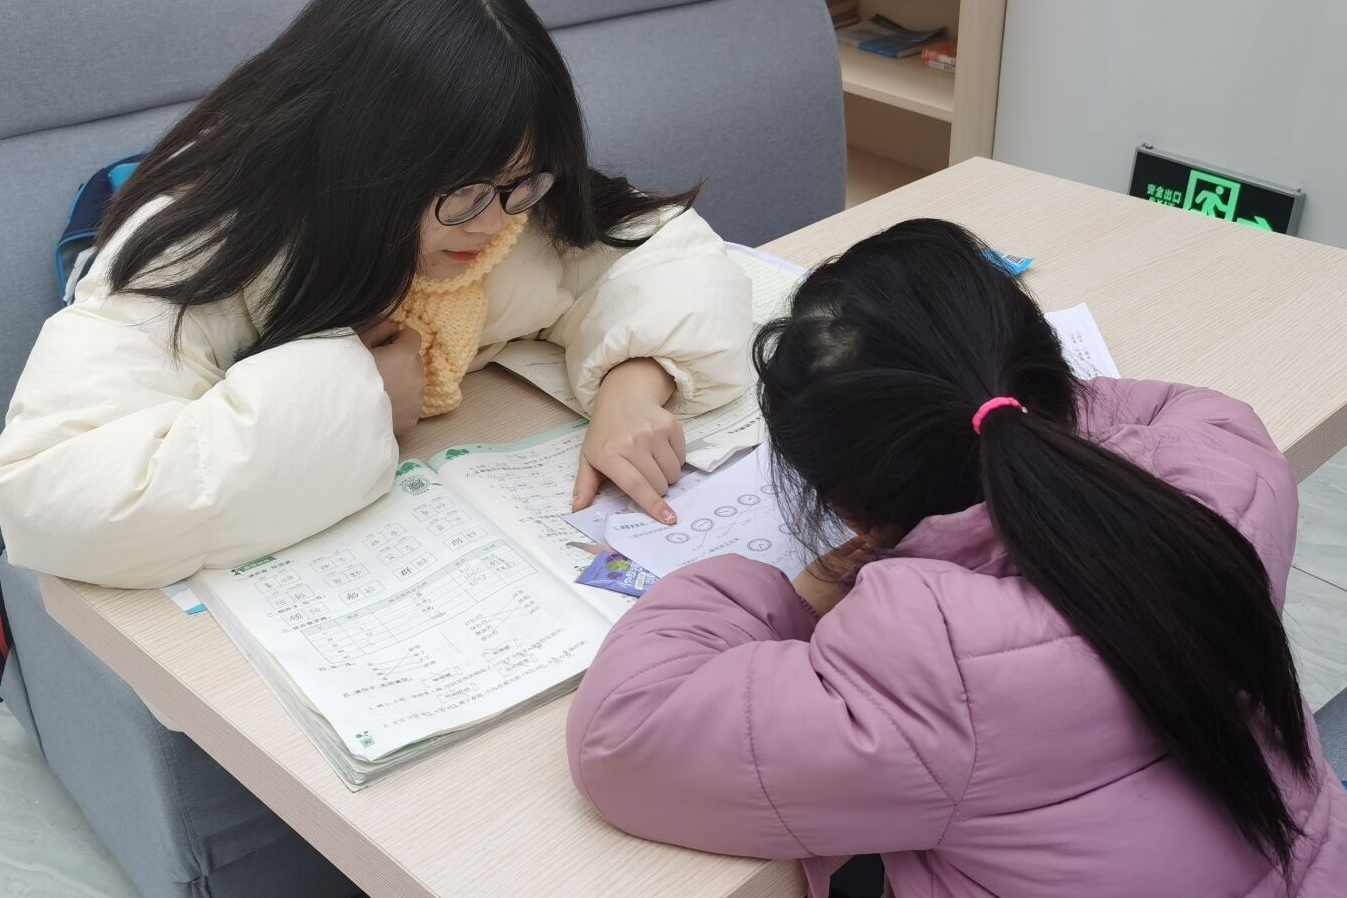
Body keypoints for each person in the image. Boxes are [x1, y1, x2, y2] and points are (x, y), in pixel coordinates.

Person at [566, 219, 1347, 896]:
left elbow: (624, 736)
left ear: (847, 508)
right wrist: (1013, 401)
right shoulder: (1221, 471)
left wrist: (787, 594)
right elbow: (1140, 407)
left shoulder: (930, 659)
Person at [0, 0, 752, 589]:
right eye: (465, 191)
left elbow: (656, 247)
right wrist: (364, 394)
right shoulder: (203, 246)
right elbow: (54, 500)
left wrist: (634, 384)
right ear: (365, 159)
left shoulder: (505, 204)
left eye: (522, 182)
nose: (495, 224)